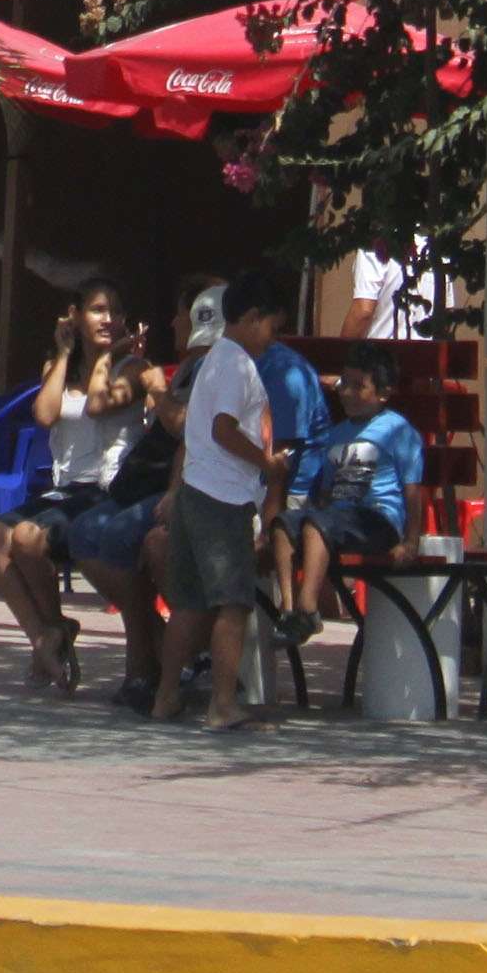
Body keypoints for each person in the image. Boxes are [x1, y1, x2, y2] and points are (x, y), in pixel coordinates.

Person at [0, 285, 170, 694]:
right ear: (75, 316)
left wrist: (109, 357)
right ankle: (46, 634)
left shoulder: (132, 368)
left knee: (27, 538)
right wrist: (63, 353)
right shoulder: (58, 366)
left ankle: (56, 632)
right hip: (65, 491)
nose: (108, 319)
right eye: (97, 310)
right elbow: (44, 415)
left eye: (115, 311)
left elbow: (100, 406)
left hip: (108, 489)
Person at [143, 291, 288, 729]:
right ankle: (223, 704)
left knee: (189, 603)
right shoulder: (235, 364)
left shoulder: (211, 362)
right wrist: (266, 463)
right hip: (222, 496)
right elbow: (224, 429)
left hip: (194, 489)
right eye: (273, 328)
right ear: (251, 316)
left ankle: (166, 697)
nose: (274, 339)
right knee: (232, 603)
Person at [271, 344, 426, 638]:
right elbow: (327, 488)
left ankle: (308, 608)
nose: (347, 393)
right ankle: (290, 611)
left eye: (359, 387)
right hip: (339, 519)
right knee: (284, 523)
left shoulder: (398, 430)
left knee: (320, 523)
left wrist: (411, 540)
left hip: (377, 520)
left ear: (383, 392)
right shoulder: (336, 434)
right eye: (344, 383)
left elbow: (413, 489)